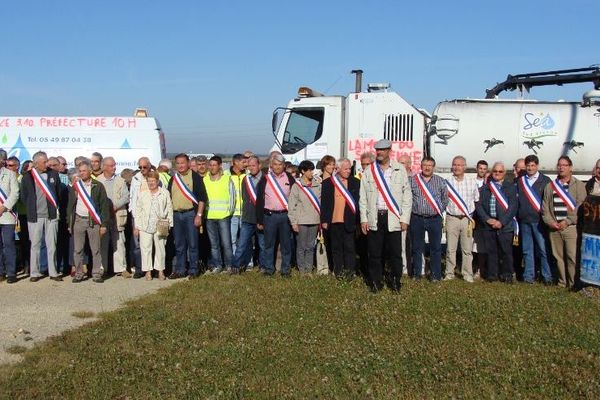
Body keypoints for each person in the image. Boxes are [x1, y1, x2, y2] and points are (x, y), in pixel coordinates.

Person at [359, 139, 412, 292]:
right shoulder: (369, 171)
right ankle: (376, 282)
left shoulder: (399, 170)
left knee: (395, 253)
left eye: (383, 150)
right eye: (378, 150)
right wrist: (364, 219)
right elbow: (363, 198)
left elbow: (407, 196)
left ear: (389, 150)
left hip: (393, 217)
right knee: (374, 253)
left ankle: (395, 281)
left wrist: (405, 219)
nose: (380, 152)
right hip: (375, 217)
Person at [542, 156, 586, 289]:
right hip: (554, 228)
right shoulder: (550, 186)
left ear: (570, 167)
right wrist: (551, 222)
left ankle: (573, 283)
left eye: (564, 165)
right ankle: (562, 282)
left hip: (571, 228)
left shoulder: (578, 185)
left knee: (572, 257)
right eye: (559, 165)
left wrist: (568, 221)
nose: (561, 168)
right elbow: (545, 207)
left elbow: (582, 206)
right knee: (558, 257)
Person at [20, 151, 62, 282]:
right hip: (35, 216)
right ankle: (34, 273)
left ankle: (53, 272)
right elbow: (23, 196)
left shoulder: (53, 174)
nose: (47, 164)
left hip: (51, 216)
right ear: (36, 163)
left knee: (52, 245)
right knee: (35, 245)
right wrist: (32, 207)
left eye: (47, 161)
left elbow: (58, 193)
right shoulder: (27, 177)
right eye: (44, 162)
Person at [67, 160, 109, 283]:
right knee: (78, 249)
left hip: (93, 221)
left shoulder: (98, 185)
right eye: (80, 171)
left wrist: (104, 224)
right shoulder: (76, 186)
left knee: (95, 249)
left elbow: (104, 206)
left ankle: (96, 273)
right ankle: (79, 273)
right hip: (78, 220)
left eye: (84, 171)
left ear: (90, 171)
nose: (82, 173)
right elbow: (70, 206)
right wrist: (69, 223)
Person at [475, 162, 518, 283]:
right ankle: (492, 275)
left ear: (504, 173)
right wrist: (488, 219)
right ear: (491, 172)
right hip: (489, 225)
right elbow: (479, 206)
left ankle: (507, 275)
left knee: (506, 251)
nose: (497, 174)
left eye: (500, 172)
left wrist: (502, 222)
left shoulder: (510, 187)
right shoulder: (485, 188)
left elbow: (513, 207)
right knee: (491, 251)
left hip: (504, 225)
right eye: (495, 171)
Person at [167, 153, 207, 279]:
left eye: (182, 162)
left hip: (191, 214)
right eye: (177, 163)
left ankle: (194, 270)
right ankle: (180, 270)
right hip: (176, 215)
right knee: (179, 244)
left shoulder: (195, 177)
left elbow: (202, 199)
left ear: (188, 163)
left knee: (193, 244)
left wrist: (199, 215)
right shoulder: (173, 179)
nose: (180, 165)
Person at [409, 157, 448, 281]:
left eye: (430, 165)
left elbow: (445, 199)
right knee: (416, 248)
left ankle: (435, 275)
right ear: (421, 166)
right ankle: (417, 274)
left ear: (433, 167)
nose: (427, 167)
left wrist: (437, 210)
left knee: (435, 248)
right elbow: (408, 198)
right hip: (417, 218)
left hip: (434, 219)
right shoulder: (413, 180)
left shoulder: (440, 181)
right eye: (425, 165)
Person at [256, 154, 296, 277]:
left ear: (284, 166)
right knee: (269, 245)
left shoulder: (290, 178)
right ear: (271, 165)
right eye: (275, 164)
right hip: (269, 216)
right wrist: (260, 220)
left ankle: (285, 270)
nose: (277, 167)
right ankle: (269, 269)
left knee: (286, 245)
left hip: (285, 216)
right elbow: (259, 201)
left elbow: (295, 198)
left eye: (280, 165)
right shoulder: (265, 179)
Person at [321, 158, 360, 279]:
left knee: (349, 248)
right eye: (346, 169)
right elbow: (324, 203)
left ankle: (349, 272)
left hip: (349, 221)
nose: (348, 171)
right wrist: (324, 220)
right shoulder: (328, 183)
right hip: (333, 221)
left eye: (350, 168)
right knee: (336, 248)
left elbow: (358, 203)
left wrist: (358, 221)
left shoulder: (355, 182)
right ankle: (338, 271)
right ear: (337, 169)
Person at [516, 154, 552, 285]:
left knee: (543, 250)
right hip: (524, 220)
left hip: (539, 221)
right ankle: (528, 276)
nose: (530, 168)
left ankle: (547, 276)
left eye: (533, 165)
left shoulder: (546, 180)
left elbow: (549, 201)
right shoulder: (520, 181)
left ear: (537, 166)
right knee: (527, 250)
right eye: (528, 165)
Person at [444, 155, 479, 282]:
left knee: (467, 249)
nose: (457, 167)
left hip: (466, 219)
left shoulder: (471, 182)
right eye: (454, 164)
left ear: (464, 167)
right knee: (450, 248)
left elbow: (476, 199)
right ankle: (449, 273)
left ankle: (467, 274)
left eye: (459, 165)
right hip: (452, 218)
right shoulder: (446, 182)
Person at [133, 171, 173, 280]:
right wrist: (136, 226)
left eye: (153, 181)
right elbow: (138, 211)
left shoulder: (164, 193)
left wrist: (170, 223)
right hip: (145, 225)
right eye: (149, 181)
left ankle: (160, 271)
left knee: (160, 249)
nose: (151, 183)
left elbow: (169, 208)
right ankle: (148, 272)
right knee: (145, 249)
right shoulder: (143, 194)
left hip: (161, 223)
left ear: (157, 181)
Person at [97, 156, 130, 277]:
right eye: (111, 165)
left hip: (117, 215)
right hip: (103, 217)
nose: (114, 167)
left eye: (115, 165)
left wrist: (115, 206)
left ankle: (121, 268)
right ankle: (102, 268)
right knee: (102, 243)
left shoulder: (121, 180)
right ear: (104, 167)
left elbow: (126, 197)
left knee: (119, 242)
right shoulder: (97, 181)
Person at [231, 155, 265, 274]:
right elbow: (245, 198)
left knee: (262, 244)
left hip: (261, 218)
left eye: (254, 165)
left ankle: (263, 266)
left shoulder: (266, 179)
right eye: (249, 165)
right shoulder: (246, 179)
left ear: (259, 165)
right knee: (242, 244)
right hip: (247, 218)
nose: (251, 168)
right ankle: (236, 266)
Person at [287, 160, 321, 275]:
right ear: (303, 171)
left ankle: (309, 269)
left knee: (311, 246)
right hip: (301, 221)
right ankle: (302, 270)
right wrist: (293, 222)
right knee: (301, 247)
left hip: (315, 220)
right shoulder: (297, 186)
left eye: (312, 170)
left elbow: (320, 203)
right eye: (309, 170)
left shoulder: (317, 185)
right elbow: (292, 205)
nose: (312, 172)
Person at [203, 155, 235, 274]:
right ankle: (217, 265)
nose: (212, 167)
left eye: (214, 165)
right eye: (210, 165)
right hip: (209, 217)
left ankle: (229, 265)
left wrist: (229, 212)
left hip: (223, 216)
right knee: (214, 244)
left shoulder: (227, 179)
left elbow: (233, 197)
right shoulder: (205, 180)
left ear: (220, 166)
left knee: (226, 243)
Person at [128, 157, 152, 278]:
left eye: (144, 167)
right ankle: (139, 268)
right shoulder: (135, 178)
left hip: (152, 215)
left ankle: (152, 268)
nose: (142, 169)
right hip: (138, 215)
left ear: (149, 166)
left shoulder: (155, 177)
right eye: (140, 167)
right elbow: (132, 197)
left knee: (151, 242)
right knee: (137, 243)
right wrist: (133, 212)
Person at [0, 149, 19, 283]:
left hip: (7, 214)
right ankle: (0, 271)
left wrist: (4, 206)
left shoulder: (10, 174)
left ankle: (11, 272)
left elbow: (15, 193)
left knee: (8, 244)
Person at [229, 153, 246, 254]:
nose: (245, 164)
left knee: (246, 240)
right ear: (236, 162)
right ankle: (235, 261)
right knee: (232, 239)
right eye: (243, 162)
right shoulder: (227, 175)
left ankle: (249, 263)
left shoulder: (247, 175)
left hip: (245, 213)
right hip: (233, 214)